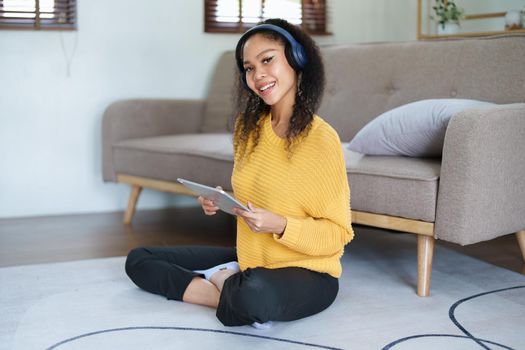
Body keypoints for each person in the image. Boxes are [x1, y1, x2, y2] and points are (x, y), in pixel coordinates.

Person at [125, 18, 354, 330]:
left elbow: (337, 236)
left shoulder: (321, 139)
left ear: (297, 60)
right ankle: (226, 285)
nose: (258, 75)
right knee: (139, 259)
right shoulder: (248, 130)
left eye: (267, 60)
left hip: (309, 273)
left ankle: (226, 282)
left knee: (254, 294)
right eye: (248, 68)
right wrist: (221, 201)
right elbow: (255, 198)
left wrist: (281, 225)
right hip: (252, 259)